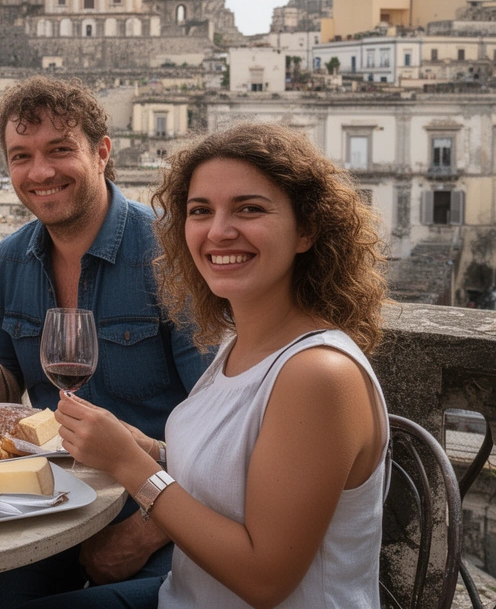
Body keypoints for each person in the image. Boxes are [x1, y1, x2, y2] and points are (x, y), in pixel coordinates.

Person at [56, 122, 389, 608]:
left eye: (249, 209)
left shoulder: (318, 375)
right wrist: (148, 447)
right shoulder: (240, 344)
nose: (218, 231)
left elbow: (264, 580)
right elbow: (238, 472)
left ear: (307, 228)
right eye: (200, 211)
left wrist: (132, 466)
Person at [0, 78, 208, 608]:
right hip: (59, 508)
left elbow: (223, 434)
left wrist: (140, 535)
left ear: (102, 152)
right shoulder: (11, 259)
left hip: (166, 519)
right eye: (21, 155)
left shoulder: (171, 255)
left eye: (60, 150)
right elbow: (10, 390)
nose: (39, 172)